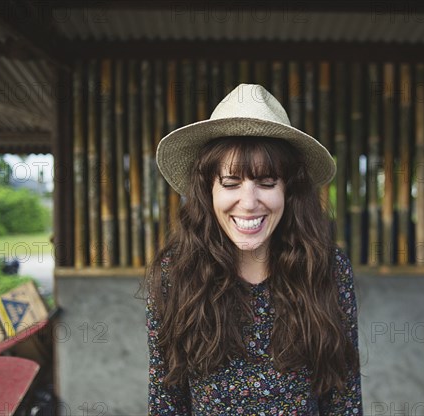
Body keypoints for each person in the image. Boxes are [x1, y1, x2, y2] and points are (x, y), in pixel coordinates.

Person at [147, 84, 363, 415]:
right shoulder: (175, 274)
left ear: (289, 190)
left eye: (266, 182)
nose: (248, 204)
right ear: (208, 191)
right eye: (231, 183)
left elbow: (344, 399)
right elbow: (165, 401)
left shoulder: (327, 269)